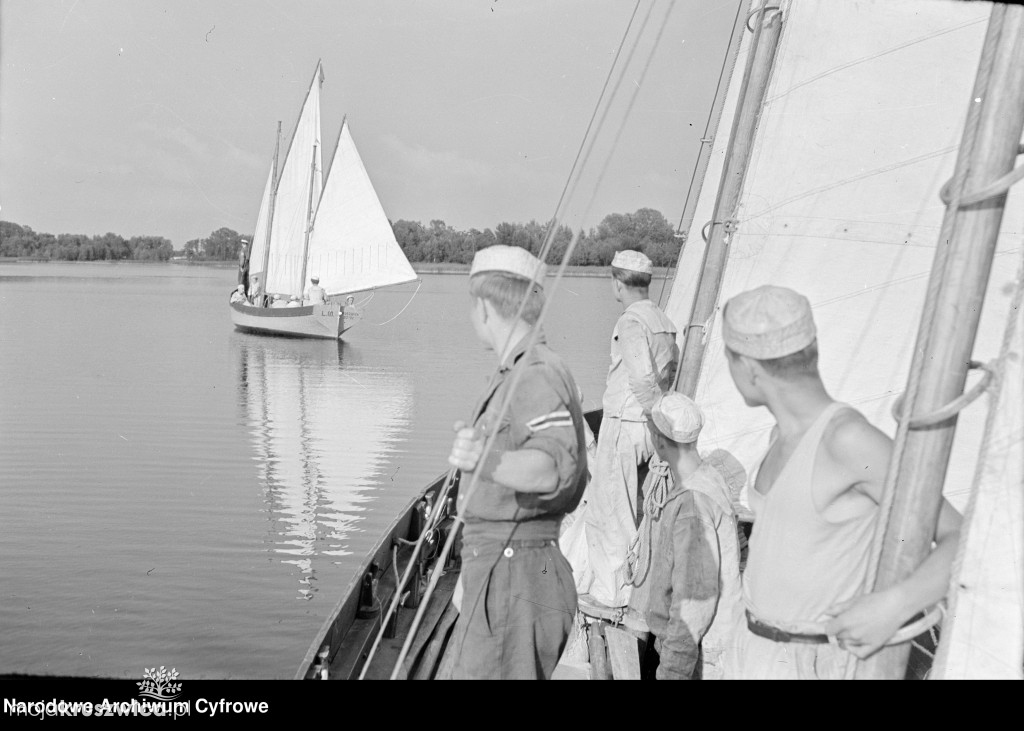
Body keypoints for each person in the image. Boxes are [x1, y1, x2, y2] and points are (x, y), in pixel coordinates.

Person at [721, 285, 961, 679]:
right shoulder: (779, 437)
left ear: (747, 366)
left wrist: (895, 605)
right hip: (753, 649)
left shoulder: (846, 441)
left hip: (811, 661)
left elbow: (960, 535)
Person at [446, 244, 588, 680]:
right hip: (509, 567)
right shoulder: (526, 369)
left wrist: (484, 459)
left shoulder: (534, 373)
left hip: (514, 575)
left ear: (485, 307)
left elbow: (551, 467)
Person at [577, 249, 679, 609]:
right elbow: (668, 376)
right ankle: (631, 583)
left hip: (626, 423)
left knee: (612, 508)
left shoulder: (631, 321)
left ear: (618, 282)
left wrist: (654, 414)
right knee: (635, 508)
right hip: (648, 430)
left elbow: (642, 376)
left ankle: (613, 591)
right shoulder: (663, 320)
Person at [643, 392, 744, 680]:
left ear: (660, 441)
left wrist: (671, 673)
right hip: (712, 645)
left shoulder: (691, 504)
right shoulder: (711, 477)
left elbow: (693, 606)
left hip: (698, 657)